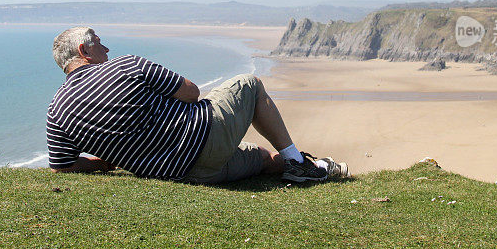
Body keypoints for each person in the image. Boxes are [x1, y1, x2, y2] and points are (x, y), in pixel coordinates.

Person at [47, 26, 349, 184]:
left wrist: (103, 163)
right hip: (206, 138)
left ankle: (320, 167)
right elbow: (191, 93)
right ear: (84, 50)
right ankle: (299, 163)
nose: (107, 47)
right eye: (99, 42)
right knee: (250, 84)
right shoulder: (126, 66)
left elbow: (63, 167)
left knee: (265, 159)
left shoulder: (56, 112)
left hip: (187, 174)